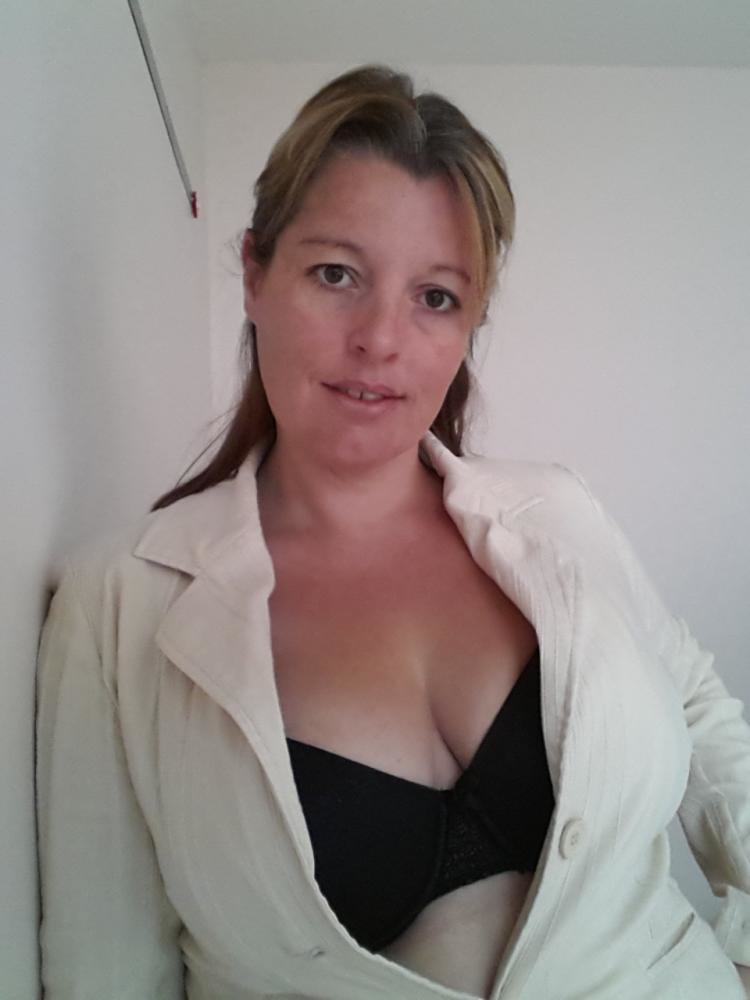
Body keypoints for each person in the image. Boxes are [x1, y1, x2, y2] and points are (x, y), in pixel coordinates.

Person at [35, 64, 750, 1000]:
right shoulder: (118, 606)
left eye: (436, 297)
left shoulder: (557, 513)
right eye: (336, 274)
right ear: (254, 273)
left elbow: (692, 702)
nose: (381, 338)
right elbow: (106, 967)